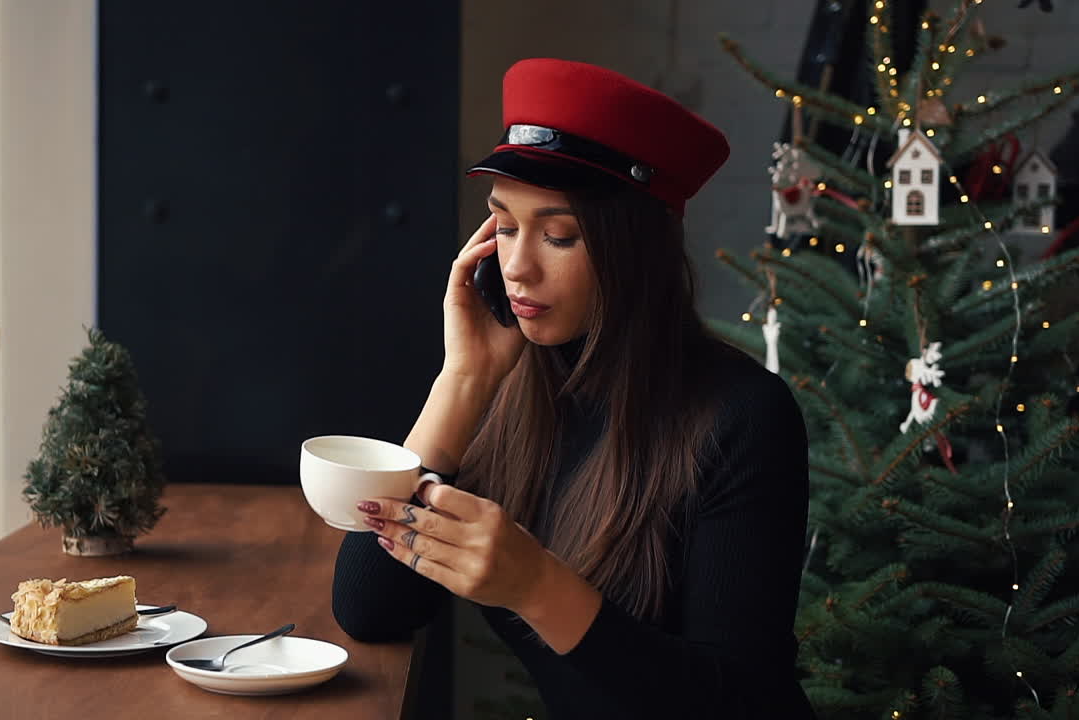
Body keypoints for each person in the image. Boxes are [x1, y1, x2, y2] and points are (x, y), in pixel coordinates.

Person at [331, 59, 817, 718]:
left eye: (559, 235)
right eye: (503, 226)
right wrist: (463, 380)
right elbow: (371, 608)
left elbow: (741, 702)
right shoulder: (509, 384)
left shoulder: (744, 415)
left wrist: (538, 588)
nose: (518, 265)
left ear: (634, 251)